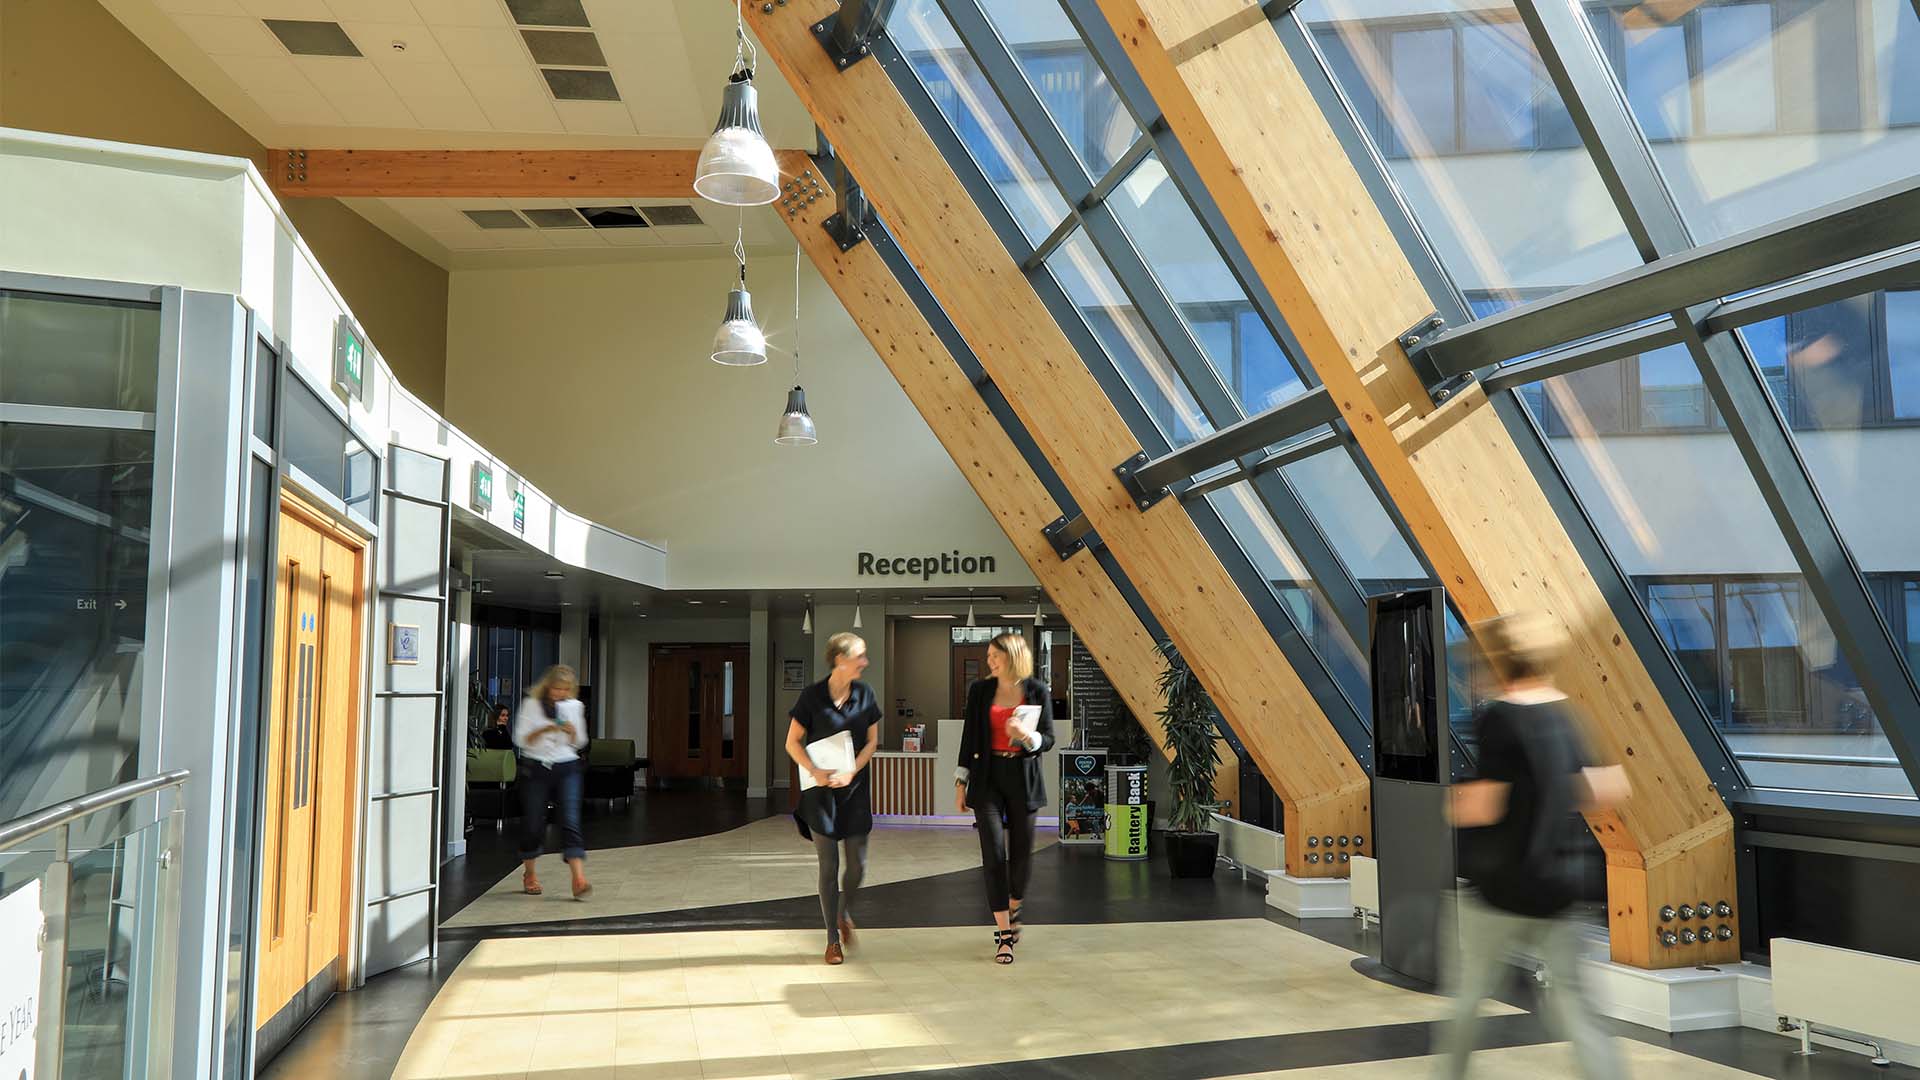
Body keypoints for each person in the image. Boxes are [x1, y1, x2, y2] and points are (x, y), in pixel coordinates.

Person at [1436, 612, 1631, 1080]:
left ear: (1498, 664)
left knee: (1467, 997)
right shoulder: (1565, 714)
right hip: (1560, 887)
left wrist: (1456, 803)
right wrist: (1548, 793)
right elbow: (1608, 787)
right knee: (1577, 1007)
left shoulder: (1499, 719)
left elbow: (1483, 806)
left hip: (1499, 889)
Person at [954, 632, 1053, 965]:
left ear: (1011, 656)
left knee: (1022, 855)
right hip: (987, 780)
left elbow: (1049, 738)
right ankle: (1004, 935)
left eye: (994, 656)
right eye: (988, 656)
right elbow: (969, 738)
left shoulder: (1037, 690)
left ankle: (1015, 904)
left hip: (1023, 780)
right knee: (994, 854)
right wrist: (960, 782)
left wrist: (1027, 737)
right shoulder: (980, 691)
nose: (989, 661)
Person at [786, 632, 881, 965]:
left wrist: (852, 770)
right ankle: (831, 940)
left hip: (854, 790)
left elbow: (872, 742)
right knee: (829, 866)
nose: (865, 663)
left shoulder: (865, 694)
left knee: (858, 865)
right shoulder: (811, 697)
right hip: (820, 794)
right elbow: (792, 743)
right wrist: (815, 771)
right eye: (860, 657)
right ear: (840, 659)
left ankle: (845, 913)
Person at [514, 665, 591, 900]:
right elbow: (520, 739)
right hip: (536, 767)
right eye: (557, 688)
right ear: (547, 686)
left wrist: (570, 732)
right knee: (534, 823)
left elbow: (580, 742)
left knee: (570, 819)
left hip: (567, 766)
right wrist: (544, 729)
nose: (560, 693)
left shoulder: (574, 706)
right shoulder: (531, 705)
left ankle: (578, 879)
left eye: (565, 689)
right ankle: (529, 873)